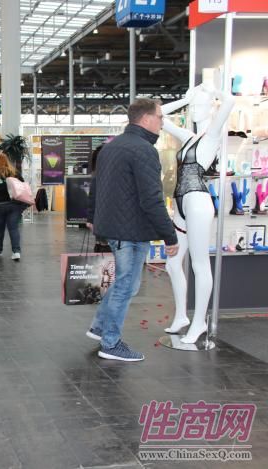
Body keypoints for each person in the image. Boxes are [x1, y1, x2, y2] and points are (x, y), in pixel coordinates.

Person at [86, 98, 179, 362]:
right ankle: (110, 343)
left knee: (125, 283)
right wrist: (170, 236)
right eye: (160, 117)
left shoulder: (110, 147)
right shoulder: (144, 151)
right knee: (126, 285)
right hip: (131, 230)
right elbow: (152, 199)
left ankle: (100, 327)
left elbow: (95, 186)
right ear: (146, 119)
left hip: (114, 228)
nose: (162, 122)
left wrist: (92, 217)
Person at [161, 82, 234, 344]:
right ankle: (182, 315)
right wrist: (185, 99)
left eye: (199, 105)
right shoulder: (189, 137)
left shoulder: (212, 134)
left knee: (199, 263)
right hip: (181, 202)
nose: (194, 110)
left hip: (197, 201)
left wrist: (213, 92)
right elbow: (159, 115)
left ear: (210, 107)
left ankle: (200, 321)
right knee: (172, 262)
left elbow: (230, 101)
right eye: (192, 107)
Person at [0, 152, 25, 261]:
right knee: (13, 228)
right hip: (14, 205)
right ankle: (16, 251)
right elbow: (23, 186)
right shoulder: (15, 174)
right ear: (7, 161)